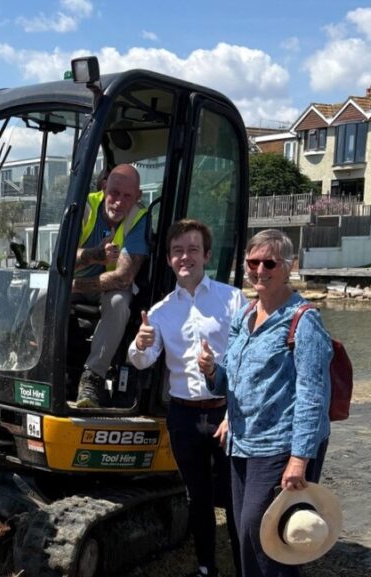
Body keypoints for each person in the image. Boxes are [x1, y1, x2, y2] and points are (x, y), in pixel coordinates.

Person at [198, 229, 333, 577]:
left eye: (269, 262)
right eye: (252, 262)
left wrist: (299, 459)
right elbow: (234, 378)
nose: (259, 269)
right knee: (247, 534)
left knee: (266, 536)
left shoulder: (303, 321)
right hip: (242, 444)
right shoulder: (245, 315)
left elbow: (312, 396)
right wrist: (212, 370)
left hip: (278, 447)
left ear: (288, 267)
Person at [127, 219, 245, 577]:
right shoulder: (161, 311)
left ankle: (244, 567)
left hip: (227, 413)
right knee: (197, 497)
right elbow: (143, 360)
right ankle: (207, 566)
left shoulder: (232, 298)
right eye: (177, 251)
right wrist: (139, 345)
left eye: (193, 249)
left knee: (238, 499)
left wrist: (233, 403)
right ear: (168, 260)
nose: (185, 257)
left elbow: (245, 356)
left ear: (206, 255)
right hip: (183, 416)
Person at [73, 163, 148, 408]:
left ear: (137, 197)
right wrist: (94, 255)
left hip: (99, 289)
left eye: (127, 196)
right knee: (42, 294)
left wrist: (73, 285)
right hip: (77, 285)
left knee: (118, 302)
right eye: (114, 193)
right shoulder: (83, 207)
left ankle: (92, 377)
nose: (118, 202)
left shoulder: (138, 218)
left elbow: (123, 277)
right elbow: (61, 261)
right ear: (105, 187)